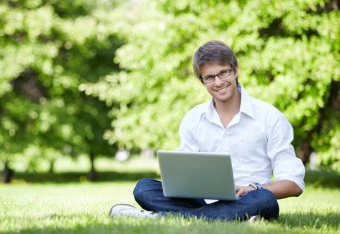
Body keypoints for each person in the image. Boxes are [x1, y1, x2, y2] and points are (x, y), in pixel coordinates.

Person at [109, 40, 305, 221]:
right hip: (201, 200)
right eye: (209, 78)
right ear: (202, 81)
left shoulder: (270, 117)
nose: (218, 82)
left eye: (223, 73)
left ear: (235, 70)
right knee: (143, 188)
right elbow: (183, 172)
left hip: (250, 200)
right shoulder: (194, 118)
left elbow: (293, 184)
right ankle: (228, 218)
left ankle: (162, 216)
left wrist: (252, 189)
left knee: (265, 200)